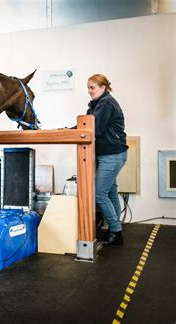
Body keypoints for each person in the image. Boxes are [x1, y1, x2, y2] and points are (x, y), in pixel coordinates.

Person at [86, 74, 128, 245]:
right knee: (110, 193)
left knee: (100, 194)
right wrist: (70, 129)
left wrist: (75, 132)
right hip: (109, 154)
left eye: (92, 87)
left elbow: (95, 129)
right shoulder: (97, 104)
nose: (89, 91)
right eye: (88, 88)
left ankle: (116, 232)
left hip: (112, 155)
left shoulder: (106, 103)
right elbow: (87, 124)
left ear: (103, 88)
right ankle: (114, 228)